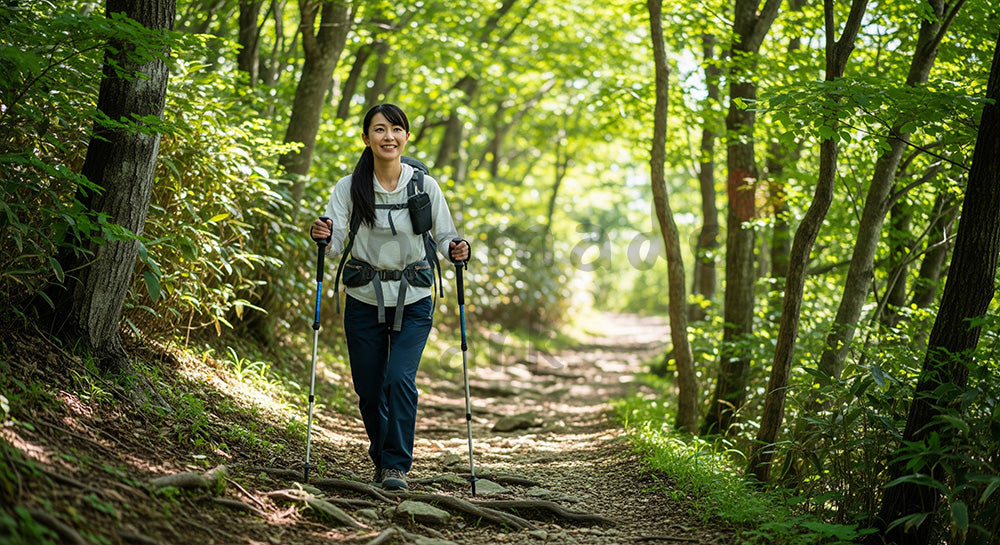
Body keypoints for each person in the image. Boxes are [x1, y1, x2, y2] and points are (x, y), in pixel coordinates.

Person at [310, 104, 470, 491]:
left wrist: (457, 249)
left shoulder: (424, 186)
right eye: (380, 129)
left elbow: (445, 236)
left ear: (407, 137)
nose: (389, 136)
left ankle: (396, 466)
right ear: (366, 138)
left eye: (396, 129)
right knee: (368, 390)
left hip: (414, 297)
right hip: (363, 297)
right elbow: (335, 241)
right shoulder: (349, 187)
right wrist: (323, 235)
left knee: (398, 379)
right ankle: (382, 459)